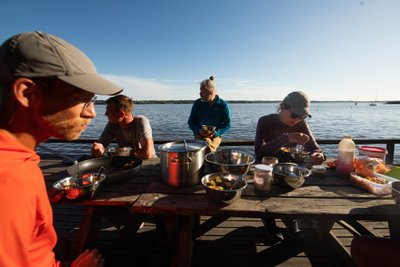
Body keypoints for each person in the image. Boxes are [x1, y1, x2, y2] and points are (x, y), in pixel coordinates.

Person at [0, 31, 123, 267]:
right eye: (83, 99)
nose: (91, 112)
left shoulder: (18, 160)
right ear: (28, 93)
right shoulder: (9, 180)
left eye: (93, 100)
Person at [254, 91, 325, 242]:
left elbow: (315, 148)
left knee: (290, 192)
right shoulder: (265, 121)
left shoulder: (301, 124)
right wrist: (287, 138)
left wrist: (318, 155)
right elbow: (259, 152)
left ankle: (290, 220)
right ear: (282, 107)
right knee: (266, 191)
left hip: (290, 170)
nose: (298, 119)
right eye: (294, 115)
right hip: (267, 169)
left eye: (302, 116)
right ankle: (269, 222)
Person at [91, 94, 156, 159]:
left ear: (121, 114)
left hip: (149, 163)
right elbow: (101, 145)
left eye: (109, 110)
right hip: (127, 162)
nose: (105, 114)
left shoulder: (141, 122)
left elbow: (148, 154)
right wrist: (98, 149)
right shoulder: (112, 124)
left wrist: (123, 152)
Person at [188, 76, 231, 152]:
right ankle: (213, 160)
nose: (200, 94)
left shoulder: (223, 105)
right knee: (206, 143)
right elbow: (191, 122)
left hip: (216, 136)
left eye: (202, 92)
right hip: (200, 135)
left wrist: (216, 133)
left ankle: (208, 160)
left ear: (210, 92)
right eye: (200, 91)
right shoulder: (198, 103)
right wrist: (198, 131)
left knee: (207, 146)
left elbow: (227, 124)